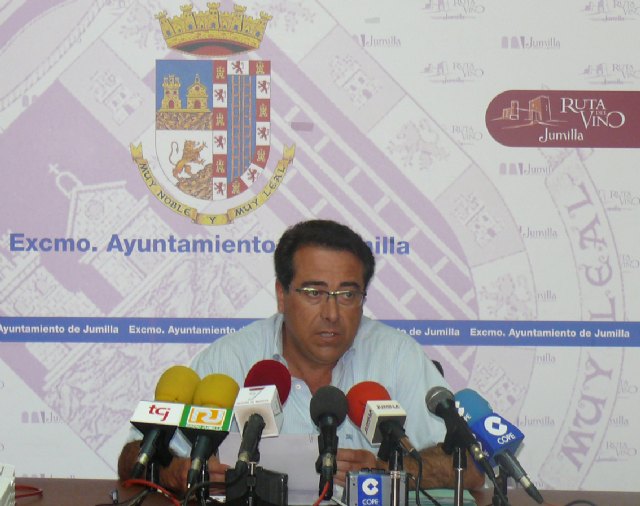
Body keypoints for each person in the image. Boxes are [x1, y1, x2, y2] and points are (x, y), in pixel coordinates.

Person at [118, 219, 484, 493]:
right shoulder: (230, 359)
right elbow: (133, 457)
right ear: (282, 294)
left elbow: (468, 468)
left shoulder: (397, 356)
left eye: (348, 295)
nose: (332, 314)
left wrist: (390, 471)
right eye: (314, 292)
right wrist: (177, 472)